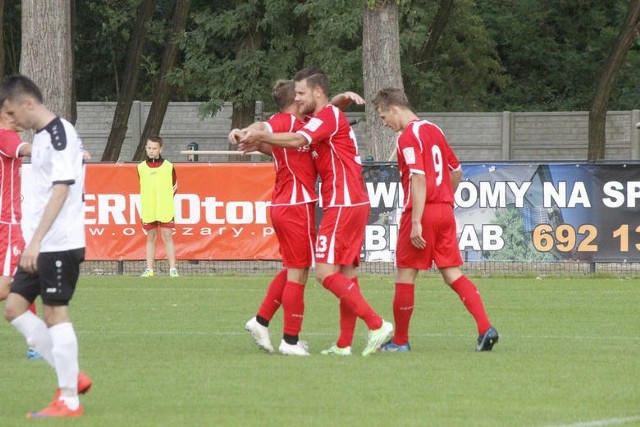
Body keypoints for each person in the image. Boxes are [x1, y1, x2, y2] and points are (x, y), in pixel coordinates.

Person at [241, 67, 393, 357]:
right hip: (349, 201)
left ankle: (376, 324)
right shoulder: (318, 117)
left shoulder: (326, 118)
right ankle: (344, 344)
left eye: (301, 93)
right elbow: (289, 129)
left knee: (323, 274)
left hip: (342, 202)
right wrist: (254, 136)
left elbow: (297, 138)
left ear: (316, 92)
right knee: (345, 275)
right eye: (294, 94)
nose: (297, 99)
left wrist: (258, 135)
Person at [372, 87, 499, 352]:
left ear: (394, 109)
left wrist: (417, 220)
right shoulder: (434, 129)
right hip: (443, 210)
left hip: (421, 211)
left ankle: (400, 341)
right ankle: (485, 328)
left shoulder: (407, 137)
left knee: (405, 275)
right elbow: (457, 169)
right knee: (452, 273)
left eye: (384, 117)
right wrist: (445, 198)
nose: (384, 123)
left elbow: (418, 177)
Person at [1, 74, 92, 418]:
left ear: (28, 103)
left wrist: (35, 241)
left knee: (55, 314)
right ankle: (71, 374)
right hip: (41, 243)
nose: (11, 122)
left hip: (57, 243)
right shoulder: (40, 138)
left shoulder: (58, 134)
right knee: (14, 308)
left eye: (11, 114)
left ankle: (68, 398)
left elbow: (61, 188)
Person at [0, 105, 43, 361]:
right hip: (6, 224)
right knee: (15, 283)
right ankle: (37, 343)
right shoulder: (5, 135)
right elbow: (25, 149)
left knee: (28, 277)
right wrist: (58, 151)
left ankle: (36, 343)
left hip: (7, 222)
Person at [137, 136, 179, 278]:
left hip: (165, 207)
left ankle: (173, 269)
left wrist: (165, 200)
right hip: (149, 208)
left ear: (161, 149)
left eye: (154, 148)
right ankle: (149, 269)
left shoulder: (168, 166)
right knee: (151, 237)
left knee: (167, 236)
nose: (151, 151)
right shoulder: (141, 167)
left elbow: (174, 186)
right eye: (149, 148)